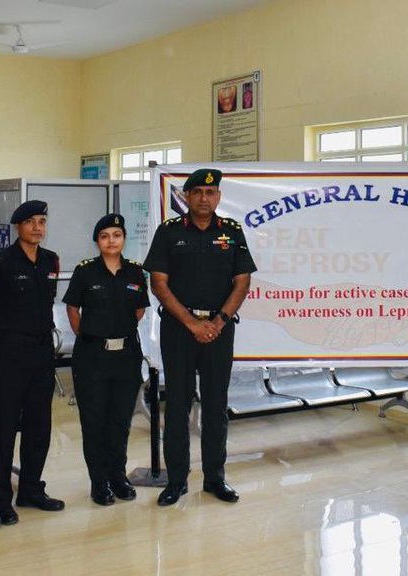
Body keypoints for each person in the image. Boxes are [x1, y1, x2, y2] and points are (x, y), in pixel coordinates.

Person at [144, 168, 256, 506]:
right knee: (177, 404)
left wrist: (219, 321)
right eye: (197, 193)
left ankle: (215, 479)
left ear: (218, 197)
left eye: (211, 193)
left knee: (216, 405)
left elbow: (242, 282)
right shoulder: (169, 232)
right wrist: (192, 323)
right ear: (187, 197)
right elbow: (158, 283)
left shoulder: (232, 232)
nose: (204, 198)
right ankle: (176, 481)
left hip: (220, 331)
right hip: (178, 330)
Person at [64, 214, 149, 506]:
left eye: (116, 235)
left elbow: (139, 310)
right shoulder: (85, 271)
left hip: (126, 355)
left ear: (124, 239)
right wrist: (88, 334)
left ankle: (118, 477)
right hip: (93, 357)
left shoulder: (136, 272)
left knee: (120, 421)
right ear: (97, 241)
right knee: (94, 421)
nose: (111, 240)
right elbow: (73, 308)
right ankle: (99, 483)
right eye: (105, 236)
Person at [0, 200, 64, 525]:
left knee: (39, 425)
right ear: (18, 226)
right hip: (9, 352)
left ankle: (31, 488)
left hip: (42, 352)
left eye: (42, 221)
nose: (37, 227)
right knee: (4, 428)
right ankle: (1, 499)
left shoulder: (50, 260)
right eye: (31, 222)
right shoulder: (1, 262)